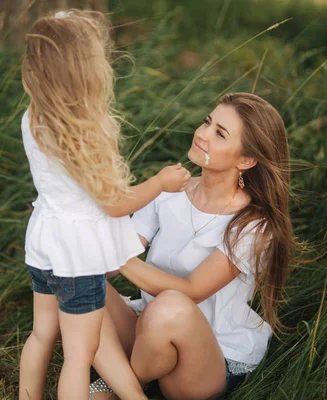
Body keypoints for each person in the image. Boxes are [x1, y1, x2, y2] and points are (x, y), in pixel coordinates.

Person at [17, 10, 191, 400]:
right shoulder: (83, 132)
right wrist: (161, 182)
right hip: (77, 257)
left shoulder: (34, 119)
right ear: (87, 72)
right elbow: (115, 205)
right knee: (81, 356)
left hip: (44, 240)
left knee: (41, 334)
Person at [90, 92, 295, 400]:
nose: (202, 134)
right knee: (72, 277)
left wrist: (119, 255)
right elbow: (113, 261)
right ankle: (134, 390)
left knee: (171, 305)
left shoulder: (253, 224)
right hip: (148, 331)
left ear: (246, 160)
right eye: (207, 122)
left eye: (220, 133)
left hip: (206, 358)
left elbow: (192, 289)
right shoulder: (170, 190)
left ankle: (119, 385)